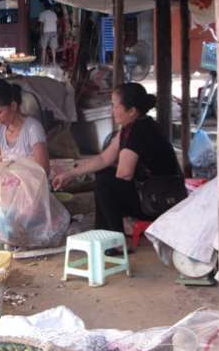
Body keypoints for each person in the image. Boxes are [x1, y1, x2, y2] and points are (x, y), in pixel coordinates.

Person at [53, 83, 183, 248]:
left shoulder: (140, 132)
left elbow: (124, 173)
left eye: (115, 106)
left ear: (132, 111)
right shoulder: (132, 127)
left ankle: (115, 241)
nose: (111, 110)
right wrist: (69, 174)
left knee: (106, 182)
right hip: (149, 192)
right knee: (104, 175)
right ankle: (104, 235)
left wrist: (87, 170)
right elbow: (103, 159)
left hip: (159, 200)